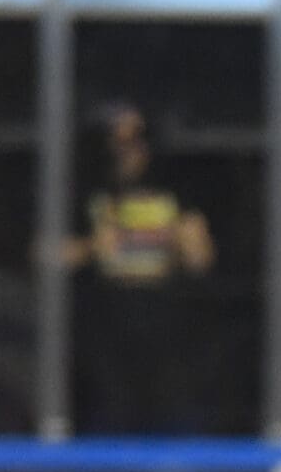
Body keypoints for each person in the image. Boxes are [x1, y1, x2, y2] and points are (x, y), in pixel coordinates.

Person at [66, 104, 214, 434]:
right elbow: (46, 254)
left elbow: (201, 261)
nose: (126, 149)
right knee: (110, 419)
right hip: (107, 329)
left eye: (135, 140)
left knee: (176, 420)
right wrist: (92, 247)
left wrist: (188, 241)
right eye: (116, 140)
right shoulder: (86, 189)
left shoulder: (175, 189)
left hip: (168, 329)